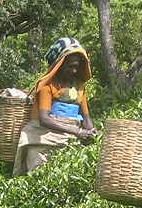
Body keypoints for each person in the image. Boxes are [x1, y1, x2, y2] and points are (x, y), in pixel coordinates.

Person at [13, 37, 96, 176]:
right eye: (70, 66)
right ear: (59, 64)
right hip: (43, 137)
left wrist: (92, 133)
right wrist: (77, 131)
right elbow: (44, 119)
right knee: (38, 176)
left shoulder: (80, 86)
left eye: (76, 66)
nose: (74, 70)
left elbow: (86, 118)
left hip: (71, 138)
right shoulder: (47, 86)